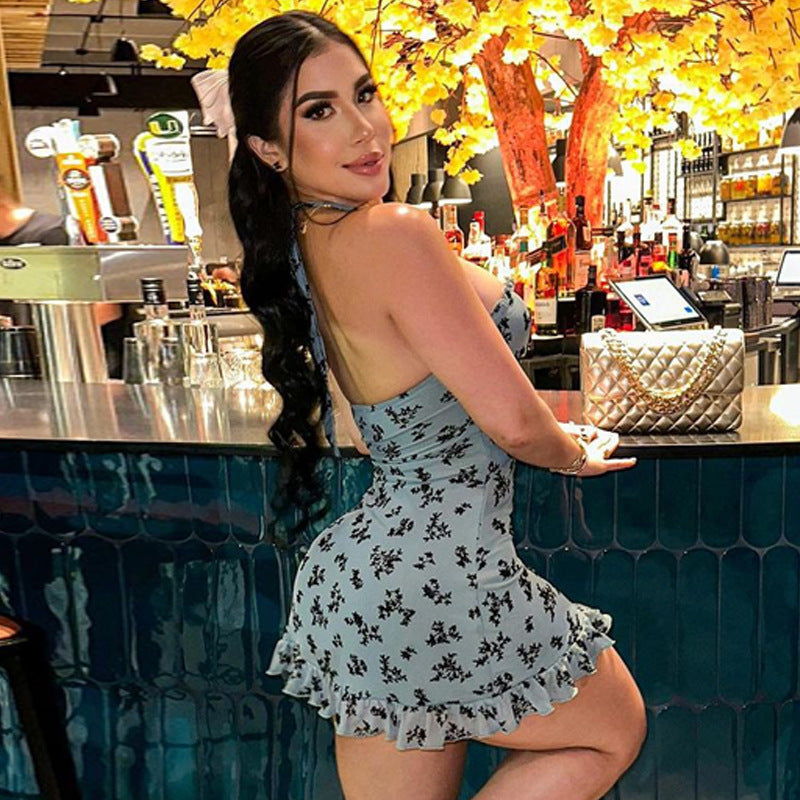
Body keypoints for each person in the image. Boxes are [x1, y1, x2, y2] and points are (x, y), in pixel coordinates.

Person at [227, 12, 646, 800]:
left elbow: (387, 418)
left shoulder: (303, 247)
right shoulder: (394, 232)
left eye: (365, 94)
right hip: (447, 573)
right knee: (611, 731)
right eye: (318, 111)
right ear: (268, 148)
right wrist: (571, 451)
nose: (364, 129)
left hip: (366, 580)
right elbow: (514, 423)